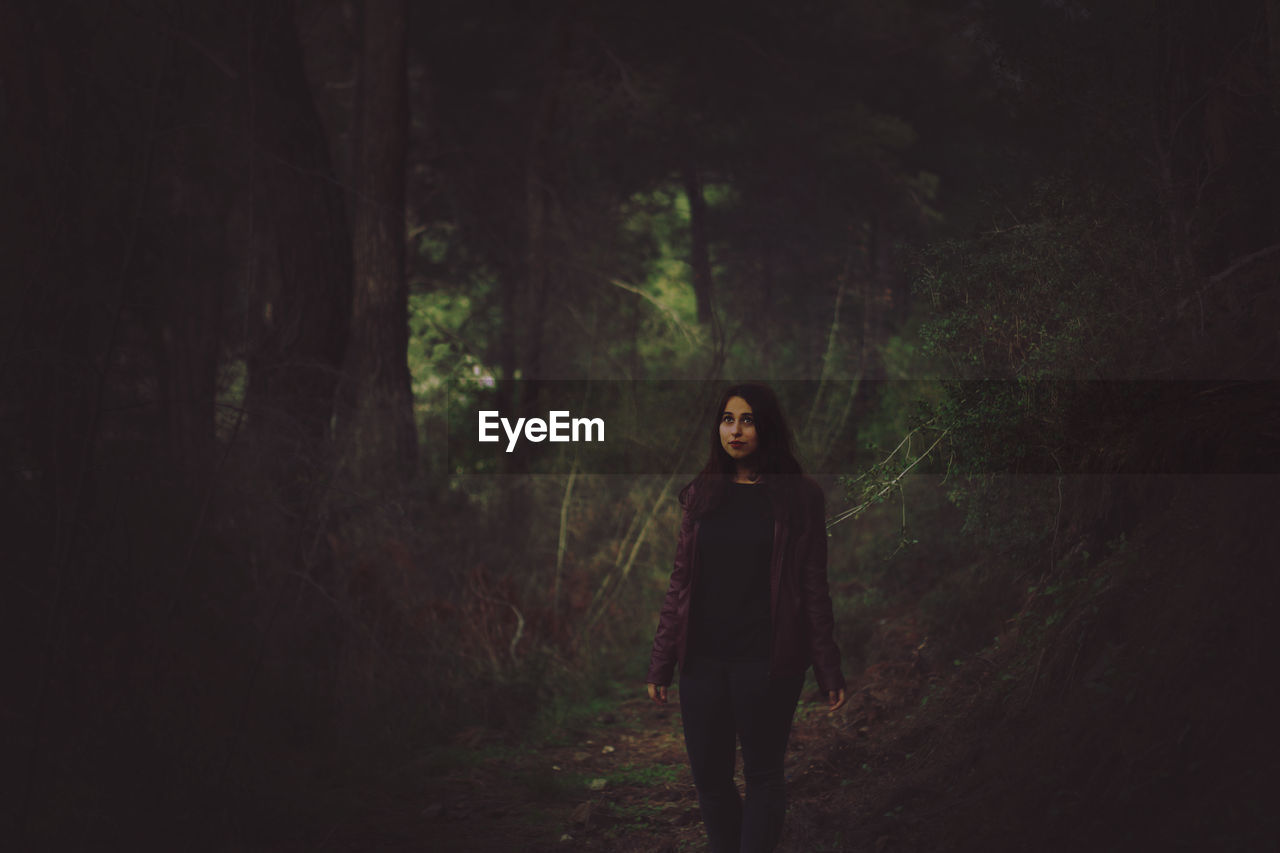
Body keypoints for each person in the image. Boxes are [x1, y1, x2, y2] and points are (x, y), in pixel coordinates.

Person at [646, 382, 847, 853]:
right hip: (702, 662)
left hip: (768, 662)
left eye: (748, 420)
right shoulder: (701, 494)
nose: (735, 430)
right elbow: (681, 583)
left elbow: (814, 585)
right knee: (711, 781)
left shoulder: (800, 496)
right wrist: (662, 661)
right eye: (728, 419)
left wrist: (827, 664)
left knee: (762, 775)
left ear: (768, 427)